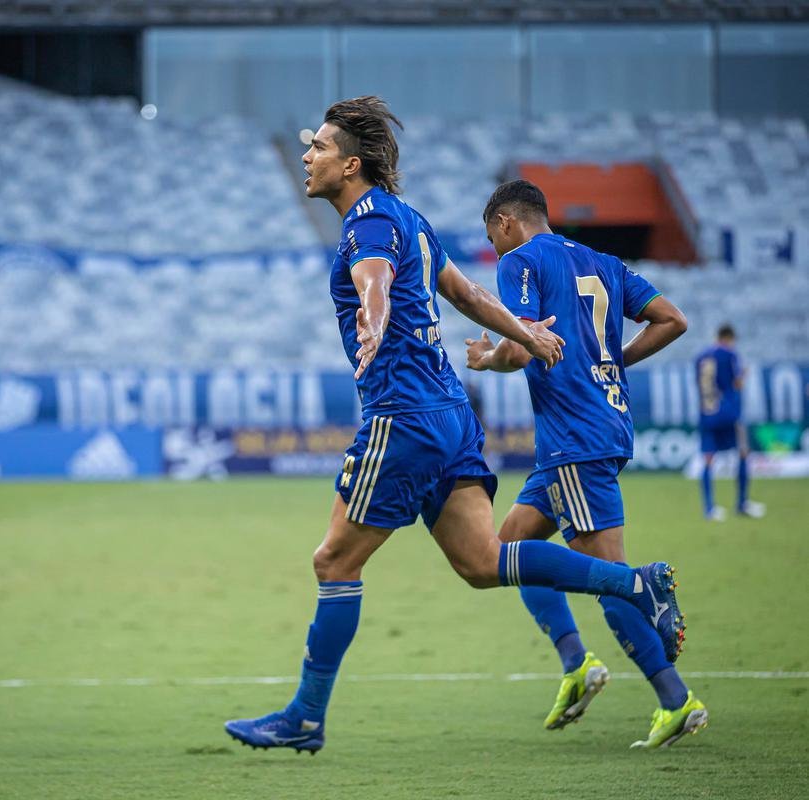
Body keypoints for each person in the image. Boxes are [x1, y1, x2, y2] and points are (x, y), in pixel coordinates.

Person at [224, 98, 686, 755]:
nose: (307, 156)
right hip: (451, 415)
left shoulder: (368, 223)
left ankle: (304, 714)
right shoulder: (410, 220)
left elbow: (375, 278)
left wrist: (375, 315)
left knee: (333, 560)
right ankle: (633, 583)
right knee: (481, 561)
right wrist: (524, 330)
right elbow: (467, 295)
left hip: (403, 415)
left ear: (351, 164)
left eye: (320, 148)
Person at [464, 179, 707, 749]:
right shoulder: (603, 261)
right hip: (594, 431)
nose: (497, 250)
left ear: (504, 224)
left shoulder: (521, 260)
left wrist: (488, 359)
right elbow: (673, 319)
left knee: (610, 580)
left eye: (492, 239)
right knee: (510, 550)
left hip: (576, 437)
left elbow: (524, 344)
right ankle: (577, 663)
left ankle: (677, 700)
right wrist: (612, 362)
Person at [696, 324, 766, 521]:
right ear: (729, 338)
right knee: (743, 452)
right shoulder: (730, 354)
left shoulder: (701, 357)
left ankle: (709, 508)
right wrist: (743, 375)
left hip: (706, 413)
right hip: (728, 413)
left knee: (708, 459)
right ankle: (742, 503)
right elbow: (737, 383)